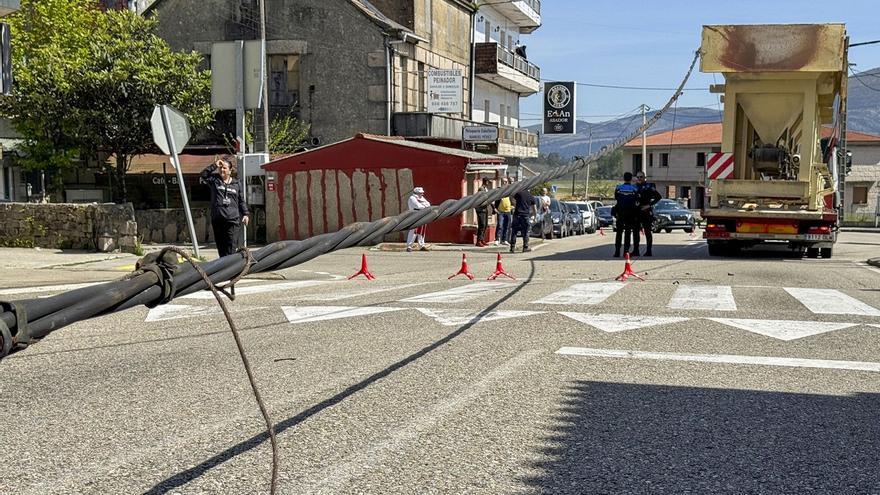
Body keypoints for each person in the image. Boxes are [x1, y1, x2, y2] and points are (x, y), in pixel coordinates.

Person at [201, 157, 249, 258]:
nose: (222, 170)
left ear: (230, 171)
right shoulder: (215, 181)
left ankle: (231, 269)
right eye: (221, 168)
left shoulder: (236, 184)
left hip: (232, 221)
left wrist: (245, 214)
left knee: (231, 247)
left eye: (225, 168)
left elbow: (241, 200)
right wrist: (215, 165)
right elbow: (204, 175)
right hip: (218, 220)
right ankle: (224, 270)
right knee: (221, 248)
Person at [633, 172, 662, 256]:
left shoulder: (649, 187)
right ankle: (636, 250)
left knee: (647, 231)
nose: (639, 178)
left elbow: (658, 197)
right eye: (637, 177)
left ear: (644, 177)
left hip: (646, 211)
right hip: (637, 212)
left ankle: (649, 251)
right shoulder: (634, 187)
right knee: (635, 232)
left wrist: (649, 205)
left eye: (641, 177)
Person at [612, 172, 639, 258]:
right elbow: (637, 199)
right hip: (630, 213)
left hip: (620, 212)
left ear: (624, 178)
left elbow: (616, 197)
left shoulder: (618, 188)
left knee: (619, 232)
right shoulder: (634, 189)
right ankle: (626, 251)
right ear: (631, 179)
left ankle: (617, 251)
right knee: (627, 232)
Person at [509, 181, 537, 253]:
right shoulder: (531, 196)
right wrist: (535, 216)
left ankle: (512, 247)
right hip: (525, 216)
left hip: (517, 214)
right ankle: (525, 247)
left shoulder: (519, 193)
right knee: (526, 232)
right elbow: (534, 208)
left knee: (514, 231)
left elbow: (511, 196)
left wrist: (514, 204)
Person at [406, 186, 431, 252]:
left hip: (422, 216)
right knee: (413, 231)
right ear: (416, 193)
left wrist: (424, 206)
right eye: (420, 193)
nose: (422, 194)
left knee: (422, 232)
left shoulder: (422, 198)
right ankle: (409, 246)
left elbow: (428, 204)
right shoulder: (412, 198)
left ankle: (421, 246)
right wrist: (424, 206)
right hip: (414, 216)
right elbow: (418, 206)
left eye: (422, 193)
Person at [494, 177, 513, 245]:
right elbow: (494, 200)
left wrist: (512, 206)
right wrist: (495, 208)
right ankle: (496, 239)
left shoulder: (509, 190)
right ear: (501, 182)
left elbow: (512, 200)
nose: (505, 183)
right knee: (500, 225)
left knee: (506, 226)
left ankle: (504, 240)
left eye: (506, 182)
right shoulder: (499, 190)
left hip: (508, 211)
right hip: (500, 211)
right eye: (503, 181)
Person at [475, 178, 493, 247]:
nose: (489, 183)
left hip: (485, 209)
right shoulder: (481, 189)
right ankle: (478, 241)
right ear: (486, 182)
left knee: (485, 225)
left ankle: (482, 239)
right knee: (482, 225)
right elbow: (482, 198)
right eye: (488, 182)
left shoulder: (486, 189)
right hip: (480, 209)